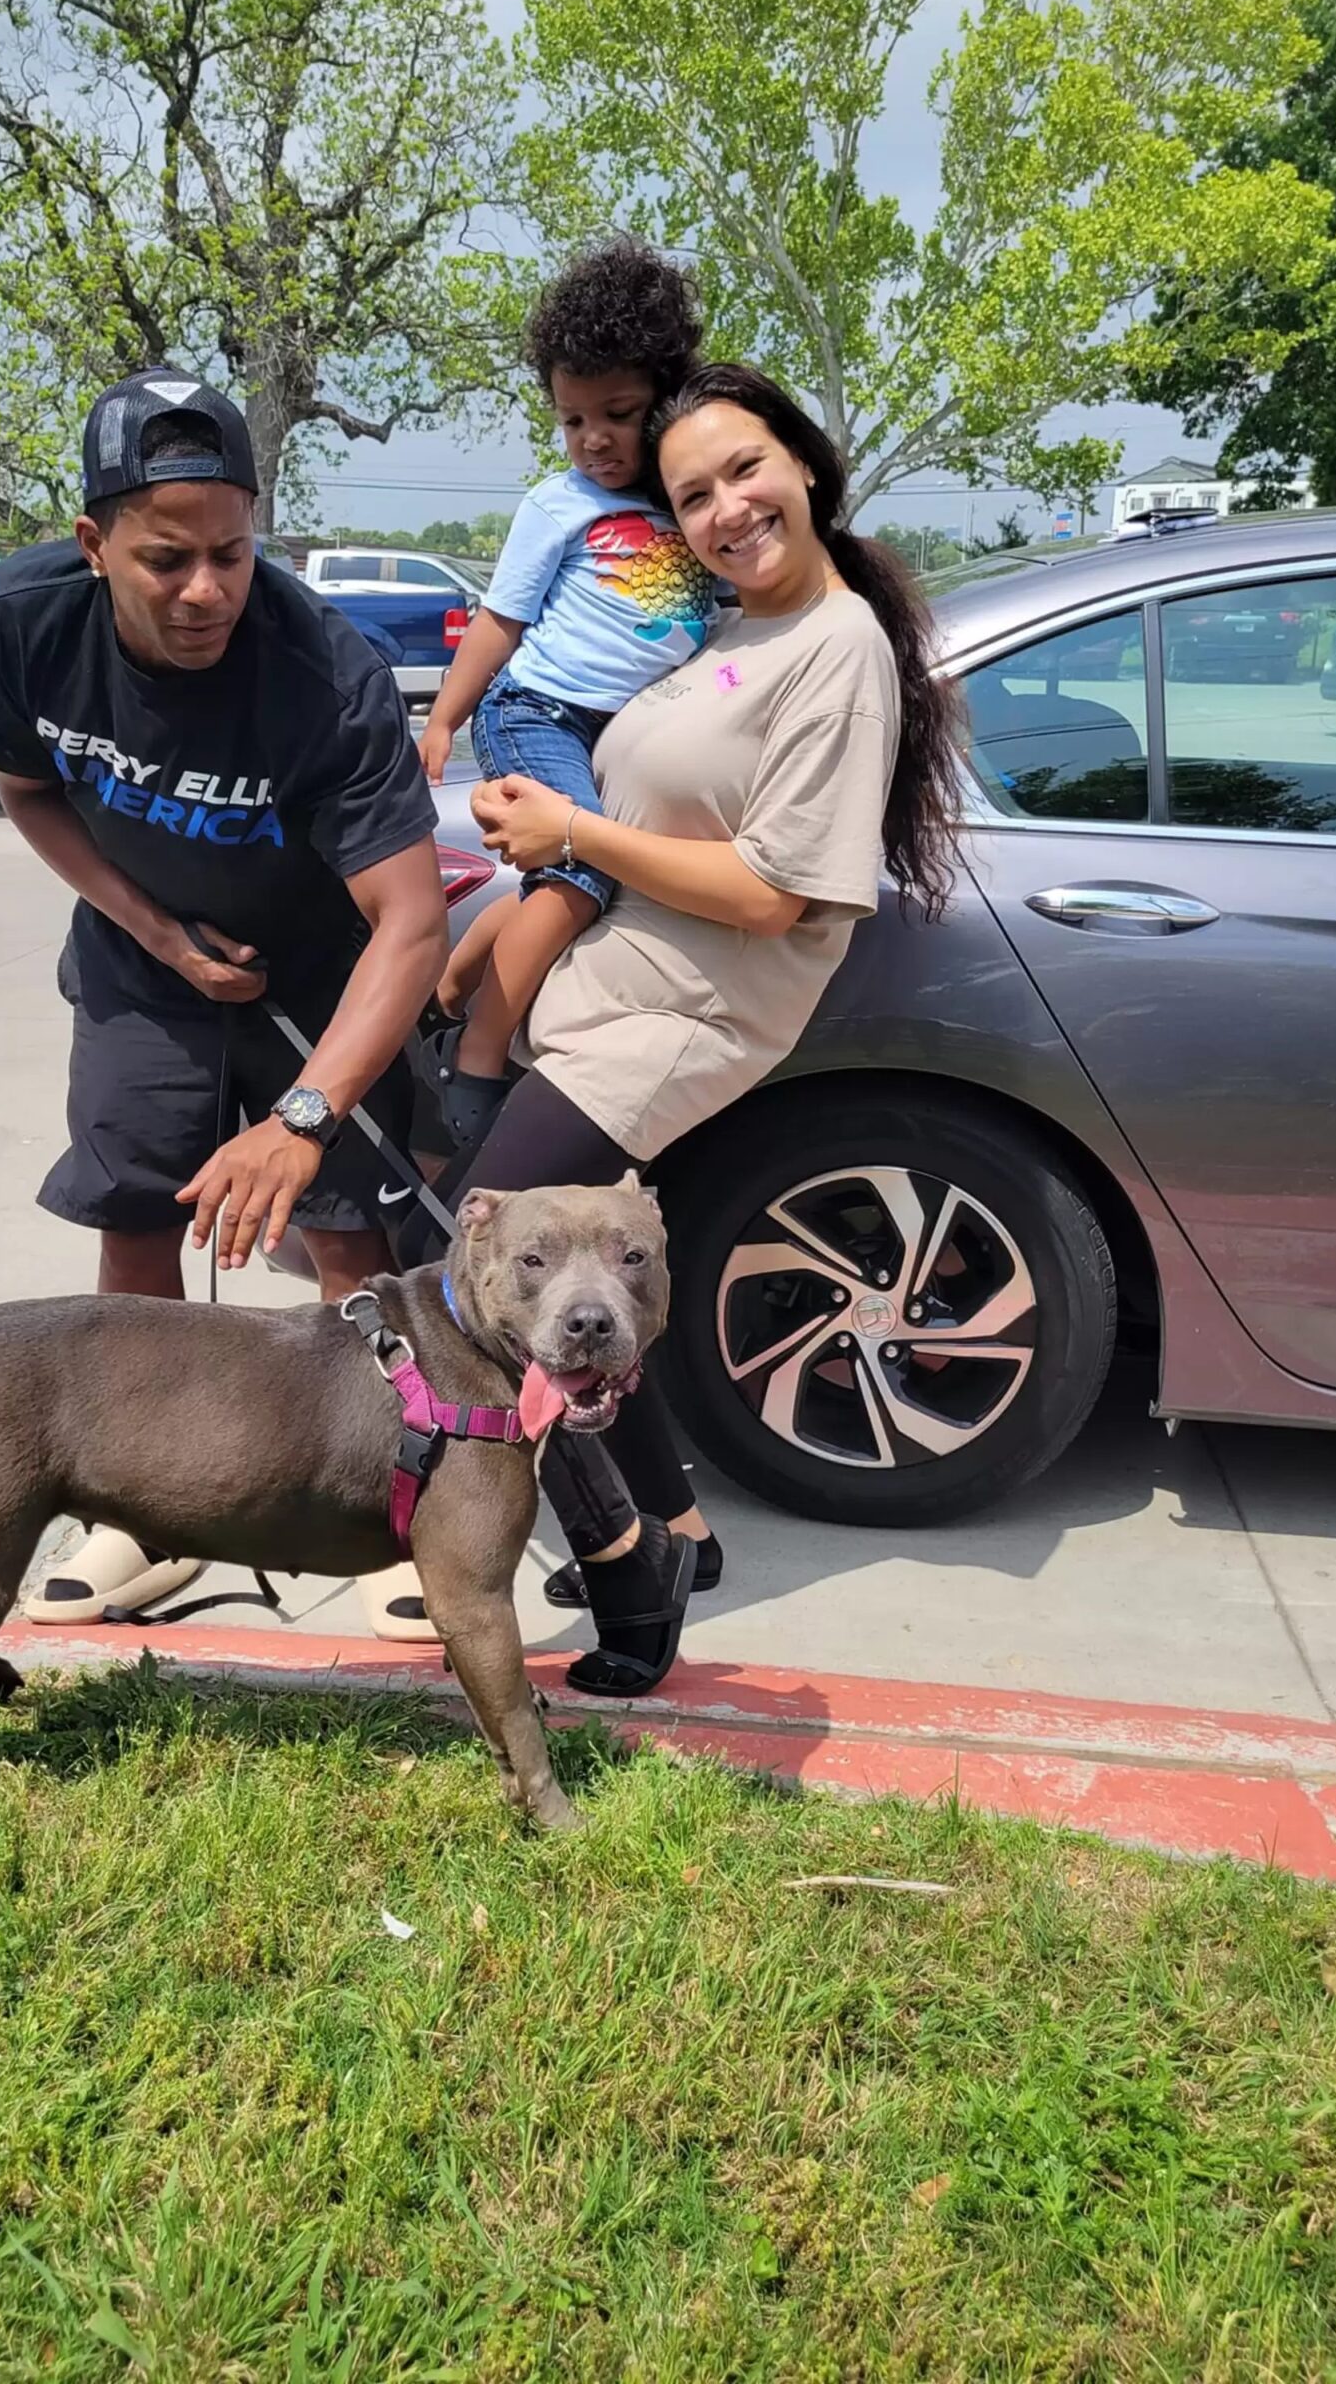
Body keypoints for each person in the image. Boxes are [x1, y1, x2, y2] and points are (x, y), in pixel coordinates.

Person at [450, 361, 963, 1697]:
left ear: (804, 462)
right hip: (616, 997)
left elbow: (777, 888)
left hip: (686, 1016)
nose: (727, 508)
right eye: (693, 495)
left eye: (745, 470)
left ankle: (624, 1567)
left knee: (485, 1274)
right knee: (600, 1286)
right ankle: (677, 1524)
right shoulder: (736, 632)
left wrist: (567, 830)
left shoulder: (838, 649)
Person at [0, 369, 448, 1626]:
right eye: (167, 559)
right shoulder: (19, 625)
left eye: (231, 551)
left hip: (324, 968)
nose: (206, 588)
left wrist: (308, 1113)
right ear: (94, 542)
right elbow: (30, 790)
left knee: (343, 1233)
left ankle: (380, 1504)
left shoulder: (327, 670)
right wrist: (157, 932)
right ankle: (147, 1511)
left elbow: (414, 919)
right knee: (137, 1207)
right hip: (137, 955)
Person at [419, 238, 716, 1144]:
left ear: (666, 403)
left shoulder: (696, 505)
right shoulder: (558, 505)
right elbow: (500, 624)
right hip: (538, 711)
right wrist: (443, 719)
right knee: (586, 871)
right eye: (571, 419)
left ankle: (450, 984)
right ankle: (481, 1054)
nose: (593, 439)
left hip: (616, 730)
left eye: (618, 414)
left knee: (586, 881)